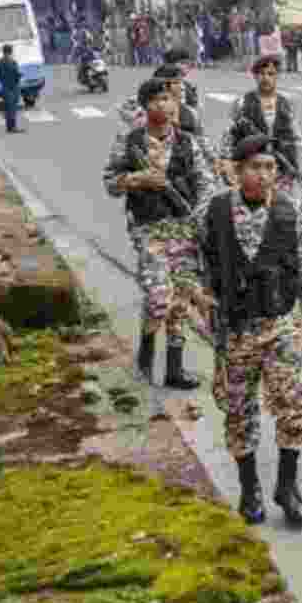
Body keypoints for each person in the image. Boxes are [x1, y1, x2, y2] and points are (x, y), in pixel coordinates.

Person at [194, 134, 302, 526]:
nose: (265, 175)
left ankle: (287, 487)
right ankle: (249, 488)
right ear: (237, 171)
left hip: (279, 325)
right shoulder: (212, 210)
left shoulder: (291, 210)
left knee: (293, 405)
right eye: (256, 167)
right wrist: (194, 290)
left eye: (270, 167)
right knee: (239, 411)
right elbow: (186, 253)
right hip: (235, 330)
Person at [102, 78, 217, 389]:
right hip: (149, 229)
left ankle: (174, 370)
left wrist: (199, 214)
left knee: (181, 297)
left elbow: (206, 183)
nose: (164, 105)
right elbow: (111, 182)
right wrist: (138, 179)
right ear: (145, 105)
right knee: (158, 296)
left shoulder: (187, 142)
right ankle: (144, 360)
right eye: (156, 99)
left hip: (185, 229)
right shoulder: (130, 140)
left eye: (168, 98)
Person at [218, 55, 302, 204]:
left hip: (281, 169)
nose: (266, 78)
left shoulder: (286, 103)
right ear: (255, 76)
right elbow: (229, 136)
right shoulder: (242, 103)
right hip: (252, 169)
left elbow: (296, 137)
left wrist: (301, 164)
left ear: (277, 76)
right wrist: (226, 163)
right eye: (261, 74)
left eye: (271, 74)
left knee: (285, 208)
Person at [0, 45, 22, 134]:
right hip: (12, 87)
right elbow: (15, 73)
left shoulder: (1, 62)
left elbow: (0, 75)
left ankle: (10, 127)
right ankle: (12, 127)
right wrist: (19, 76)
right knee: (12, 108)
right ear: (10, 52)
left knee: (9, 108)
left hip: (6, 87)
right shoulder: (11, 62)